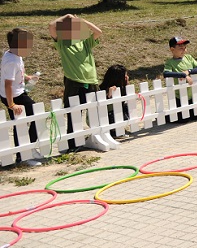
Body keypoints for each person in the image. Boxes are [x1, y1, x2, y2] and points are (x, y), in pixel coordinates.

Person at [49, 14, 102, 149]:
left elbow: (98, 32)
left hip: (91, 80)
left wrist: (82, 21)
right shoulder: (61, 43)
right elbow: (51, 26)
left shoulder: (85, 43)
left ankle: (96, 137)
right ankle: (73, 143)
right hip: (73, 81)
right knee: (73, 113)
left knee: (95, 111)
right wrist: (66, 17)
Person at [2, 28, 41, 166]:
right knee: (30, 119)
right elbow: (7, 84)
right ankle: (24, 155)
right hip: (14, 96)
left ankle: (27, 150)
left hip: (18, 92)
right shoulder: (11, 60)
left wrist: (27, 77)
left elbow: (14, 73)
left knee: (28, 120)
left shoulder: (13, 54)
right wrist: (11, 104)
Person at [163, 36, 197, 122]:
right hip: (180, 95)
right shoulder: (170, 62)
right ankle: (165, 116)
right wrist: (183, 75)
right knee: (183, 119)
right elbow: (166, 73)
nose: (184, 50)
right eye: (180, 48)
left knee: (196, 116)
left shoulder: (188, 57)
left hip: (192, 94)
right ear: (172, 49)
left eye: (185, 48)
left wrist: (189, 71)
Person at [100, 64, 132, 135]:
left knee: (126, 108)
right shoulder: (103, 90)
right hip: (103, 116)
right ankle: (112, 131)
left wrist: (127, 85)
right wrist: (109, 95)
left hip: (113, 113)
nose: (127, 77)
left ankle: (115, 129)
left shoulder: (122, 88)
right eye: (125, 76)